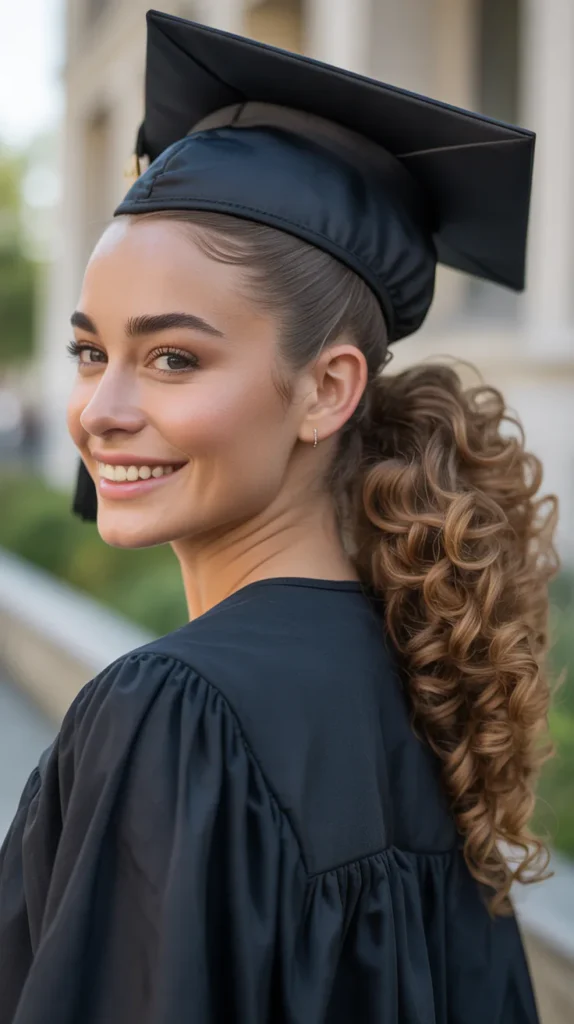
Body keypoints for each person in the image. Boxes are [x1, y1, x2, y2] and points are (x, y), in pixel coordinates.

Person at [0, 12, 558, 1024]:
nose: (102, 410)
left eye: (173, 357)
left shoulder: (174, 714)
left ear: (325, 390)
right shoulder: (421, 680)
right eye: (92, 351)